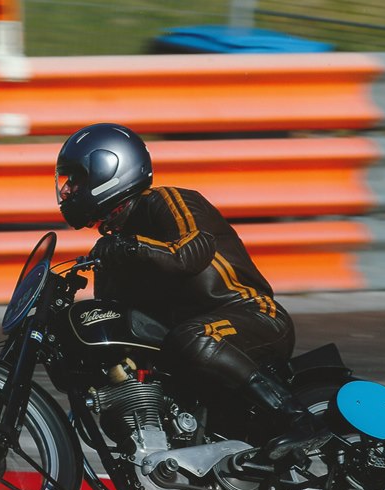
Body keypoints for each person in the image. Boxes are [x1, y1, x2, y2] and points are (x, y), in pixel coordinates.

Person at [55, 122, 329, 471]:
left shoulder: (166, 201)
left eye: (76, 179)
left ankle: (297, 419)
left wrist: (132, 246)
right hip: (191, 346)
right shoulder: (112, 248)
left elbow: (191, 252)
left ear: (109, 169)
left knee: (194, 337)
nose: (68, 190)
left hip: (252, 315)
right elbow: (125, 321)